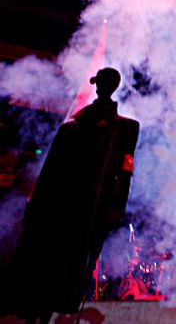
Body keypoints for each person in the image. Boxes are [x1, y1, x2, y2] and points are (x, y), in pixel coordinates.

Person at [2, 67, 139, 321]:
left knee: (66, 276)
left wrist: (115, 209)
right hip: (61, 207)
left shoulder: (125, 128)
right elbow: (51, 170)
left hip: (87, 209)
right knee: (49, 273)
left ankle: (42, 312)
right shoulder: (72, 128)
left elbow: (125, 171)